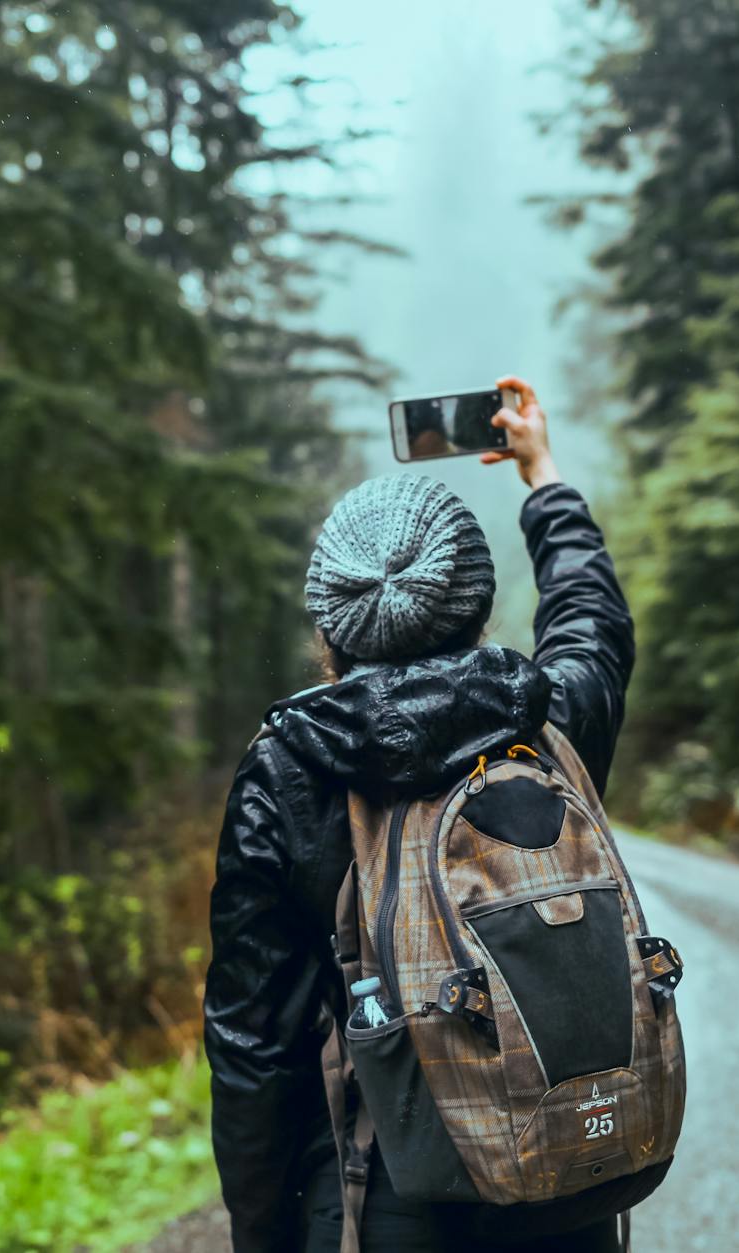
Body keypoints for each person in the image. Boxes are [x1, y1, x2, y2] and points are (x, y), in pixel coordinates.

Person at [204, 375, 636, 1253]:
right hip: (563, 1184)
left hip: (380, 1196)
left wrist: (261, 1232)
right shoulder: (547, 718)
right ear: (475, 606)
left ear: (333, 627)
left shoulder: (289, 768)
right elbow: (590, 617)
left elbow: (255, 1043)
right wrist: (541, 474)